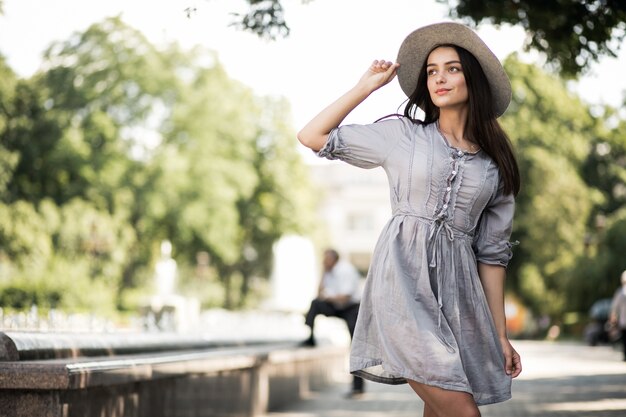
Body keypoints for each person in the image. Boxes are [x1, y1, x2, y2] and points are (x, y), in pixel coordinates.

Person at [297, 22, 522, 417]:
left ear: (474, 78)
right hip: (400, 284)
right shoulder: (403, 136)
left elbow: (491, 258)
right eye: (432, 71)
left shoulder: (495, 169)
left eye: (452, 68)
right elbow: (313, 136)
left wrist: (499, 335)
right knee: (463, 412)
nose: (440, 78)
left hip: (457, 298)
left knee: (439, 410)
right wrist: (365, 87)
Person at [302, 248, 365, 397]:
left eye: (326, 259)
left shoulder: (345, 270)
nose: (323, 262)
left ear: (333, 259)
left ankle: (358, 387)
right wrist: (323, 273)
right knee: (315, 303)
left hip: (352, 309)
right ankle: (310, 337)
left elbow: (345, 297)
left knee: (356, 348)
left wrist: (327, 298)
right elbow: (319, 293)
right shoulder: (329, 272)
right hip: (338, 307)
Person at [609, 270, 626, 360]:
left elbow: (615, 307)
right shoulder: (621, 292)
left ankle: (625, 355)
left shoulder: (620, 292)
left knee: (624, 339)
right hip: (623, 320)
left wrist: (613, 317)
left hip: (623, 320)